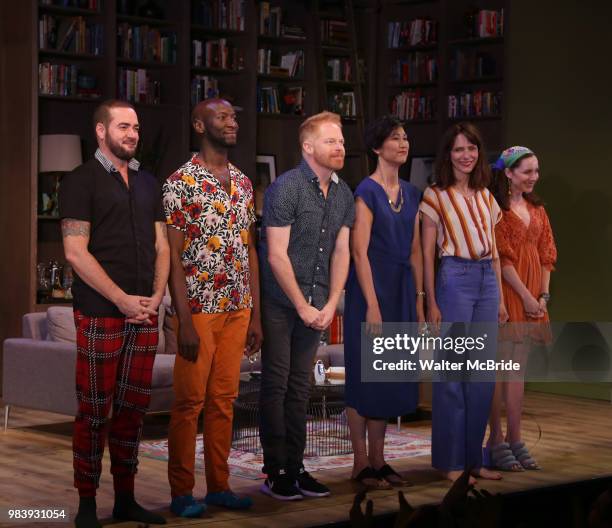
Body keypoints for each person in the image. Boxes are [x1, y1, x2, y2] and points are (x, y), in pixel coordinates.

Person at [59, 99, 170, 528]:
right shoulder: (80, 181)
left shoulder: (148, 183)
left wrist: (157, 297)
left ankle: (126, 498)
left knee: (132, 411)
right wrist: (122, 299)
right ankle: (87, 504)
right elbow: (74, 252)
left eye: (136, 127)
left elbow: (162, 246)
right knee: (93, 411)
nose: (132, 134)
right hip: (102, 312)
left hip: (144, 314)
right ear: (101, 131)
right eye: (123, 126)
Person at [162, 99, 262, 517]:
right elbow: (172, 256)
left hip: (238, 306)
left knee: (224, 400)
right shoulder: (180, 182)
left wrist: (255, 312)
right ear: (199, 123)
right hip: (199, 310)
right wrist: (182, 320)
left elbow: (250, 250)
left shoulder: (242, 182)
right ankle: (182, 493)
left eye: (234, 117)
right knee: (189, 403)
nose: (232, 123)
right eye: (223, 117)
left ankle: (219, 485)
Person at [258, 111, 355, 500]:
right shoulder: (286, 188)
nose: (340, 147)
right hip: (282, 303)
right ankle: (276, 469)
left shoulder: (344, 192)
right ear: (308, 146)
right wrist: (300, 305)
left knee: (301, 387)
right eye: (332, 140)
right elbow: (276, 256)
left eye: (342, 141)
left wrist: (332, 302)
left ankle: (296, 466)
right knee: (277, 384)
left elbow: (342, 250)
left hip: (317, 303)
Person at [419, 122, 508, 485]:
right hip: (454, 279)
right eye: (459, 149)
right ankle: (448, 461)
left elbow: (497, 253)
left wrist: (500, 298)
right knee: (453, 375)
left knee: (482, 378)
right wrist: (430, 300)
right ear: (448, 155)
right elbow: (427, 254)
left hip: (487, 279)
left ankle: (473, 460)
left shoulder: (487, 196)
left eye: (472, 148)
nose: (466, 155)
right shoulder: (435, 195)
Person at [343, 116, 424, 488]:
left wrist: (420, 303)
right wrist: (372, 305)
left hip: (402, 291)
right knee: (365, 377)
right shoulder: (366, 191)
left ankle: (379, 458)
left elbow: (414, 252)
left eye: (406, 138)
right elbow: (358, 253)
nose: (403, 144)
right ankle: (360, 462)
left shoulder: (412, 192)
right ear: (378, 148)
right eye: (395, 138)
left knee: (388, 377)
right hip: (371, 291)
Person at [485, 146, 556, 471]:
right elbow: (504, 259)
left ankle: (516, 437)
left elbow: (547, 254)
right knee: (499, 371)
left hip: (533, 294)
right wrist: (525, 297)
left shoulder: (538, 209)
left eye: (536, 171)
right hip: (509, 291)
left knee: (517, 372)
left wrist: (542, 296)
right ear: (509, 173)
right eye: (527, 171)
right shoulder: (497, 209)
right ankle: (495, 440)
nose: (534, 177)